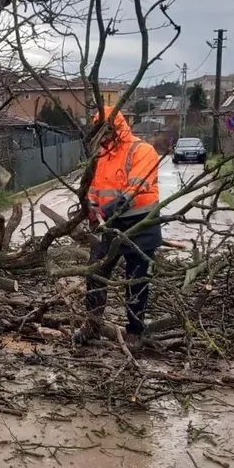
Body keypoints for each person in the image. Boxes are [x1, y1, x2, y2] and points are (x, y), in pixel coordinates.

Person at [74, 106, 163, 347]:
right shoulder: (101, 157)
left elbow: (131, 193)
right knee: (95, 272)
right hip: (110, 224)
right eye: (98, 132)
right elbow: (94, 188)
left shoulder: (142, 151)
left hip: (140, 224)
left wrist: (104, 212)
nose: (102, 137)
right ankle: (92, 324)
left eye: (105, 131)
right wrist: (90, 208)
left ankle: (135, 331)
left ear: (116, 128)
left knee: (136, 280)